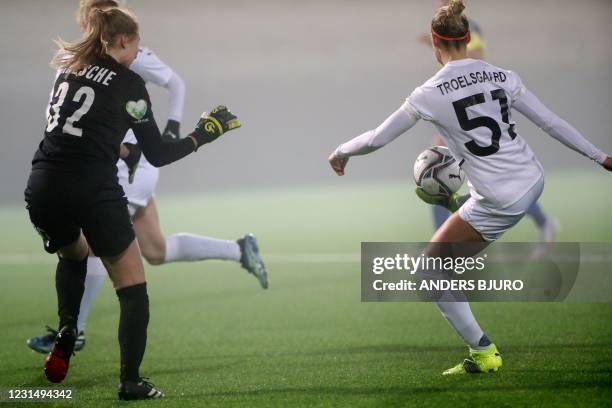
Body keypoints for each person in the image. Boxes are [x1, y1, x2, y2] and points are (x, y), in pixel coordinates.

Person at [328, 0, 611, 375]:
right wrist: (601, 157)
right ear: (466, 38)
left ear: (435, 41)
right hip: (532, 178)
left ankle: (483, 353)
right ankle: (459, 203)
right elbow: (550, 122)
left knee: (430, 269)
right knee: (457, 208)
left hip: (499, 200)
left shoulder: (428, 93)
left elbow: (378, 138)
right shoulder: (501, 75)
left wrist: (341, 151)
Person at [26, 0, 268, 357]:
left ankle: (73, 331)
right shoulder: (86, 62)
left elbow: (175, 84)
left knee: (94, 248)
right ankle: (239, 249)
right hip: (116, 161)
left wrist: (174, 128)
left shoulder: (118, 59)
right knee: (155, 249)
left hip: (129, 165)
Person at [419, 0, 558, 248]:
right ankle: (442, 241)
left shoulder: (469, 29)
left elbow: (477, 62)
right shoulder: (443, 30)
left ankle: (443, 243)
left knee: (442, 173)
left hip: (472, 115)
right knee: (440, 176)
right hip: (458, 113)